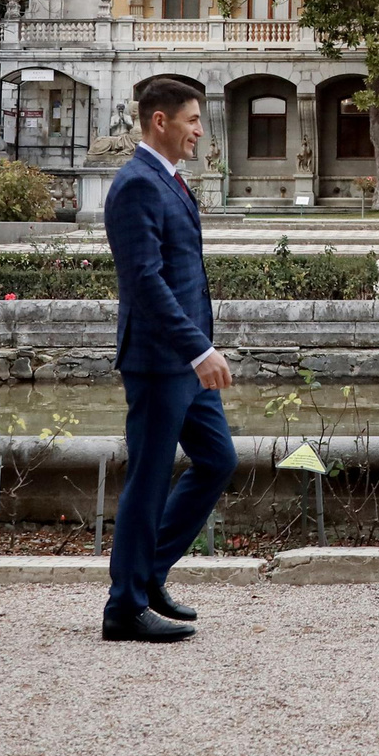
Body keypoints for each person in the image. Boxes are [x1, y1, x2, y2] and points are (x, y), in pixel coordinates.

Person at [100, 73, 238, 643]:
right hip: (162, 360)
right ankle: (124, 608)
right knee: (150, 480)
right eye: (193, 120)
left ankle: (149, 575)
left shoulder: (170, 180)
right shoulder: (136, 184)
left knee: (217, 461)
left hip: (183, 360)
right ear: (161, 121)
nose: (200, 132)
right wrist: (198, 348)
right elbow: (145, 282)